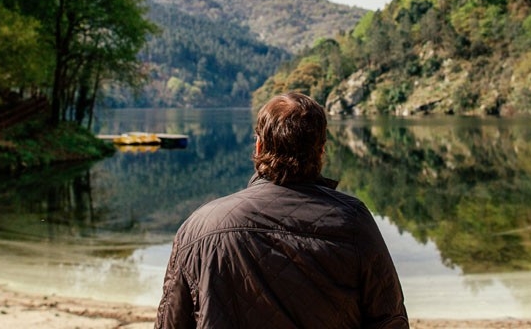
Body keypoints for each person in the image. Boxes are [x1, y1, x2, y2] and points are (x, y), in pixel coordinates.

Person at [155, 91, 409, 329]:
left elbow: (170, 322)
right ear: (321, 151)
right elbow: (390, 320)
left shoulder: (200, 227)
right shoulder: (353, 221)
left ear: (259, 146)